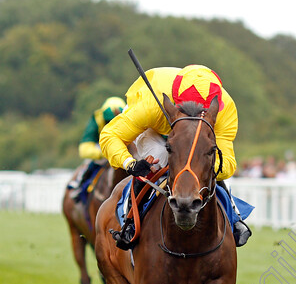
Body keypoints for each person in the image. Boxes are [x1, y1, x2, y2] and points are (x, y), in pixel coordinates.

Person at [99, 64, 251, 247]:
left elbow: (227, 164)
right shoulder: (150, 105)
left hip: (199, 138)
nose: (196, 121)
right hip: (153, 129)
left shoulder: (224, 109)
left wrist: (205, 162)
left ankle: (234, 217)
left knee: (206, 157)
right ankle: (130, 222)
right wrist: (129, 163)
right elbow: (110, 135)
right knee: (161, 156)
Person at [67, 96, 126, 201]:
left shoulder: (132, 117)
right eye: (108, 122)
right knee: (92, 162)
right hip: (102, 150)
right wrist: (102, 153)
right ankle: (79, 186)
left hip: (123, 148)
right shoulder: (96, 119)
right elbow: (84, 148)